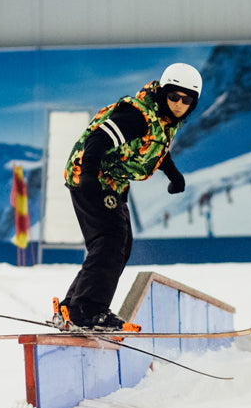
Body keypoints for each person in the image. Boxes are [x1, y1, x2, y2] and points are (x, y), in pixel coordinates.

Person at [57, 63, 201, 330]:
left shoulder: (164, 120)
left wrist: (173, 174)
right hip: (92, 177)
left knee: (119, 245)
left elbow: (155, 149)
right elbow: (98, 140)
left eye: (187, 99)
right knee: (110, 241)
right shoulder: (137, 116)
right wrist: (88, 175)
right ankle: (89, 310)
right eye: (173, 96)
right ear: (163, 92)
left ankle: (74, 306)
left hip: (111, 181)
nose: (179, 103)